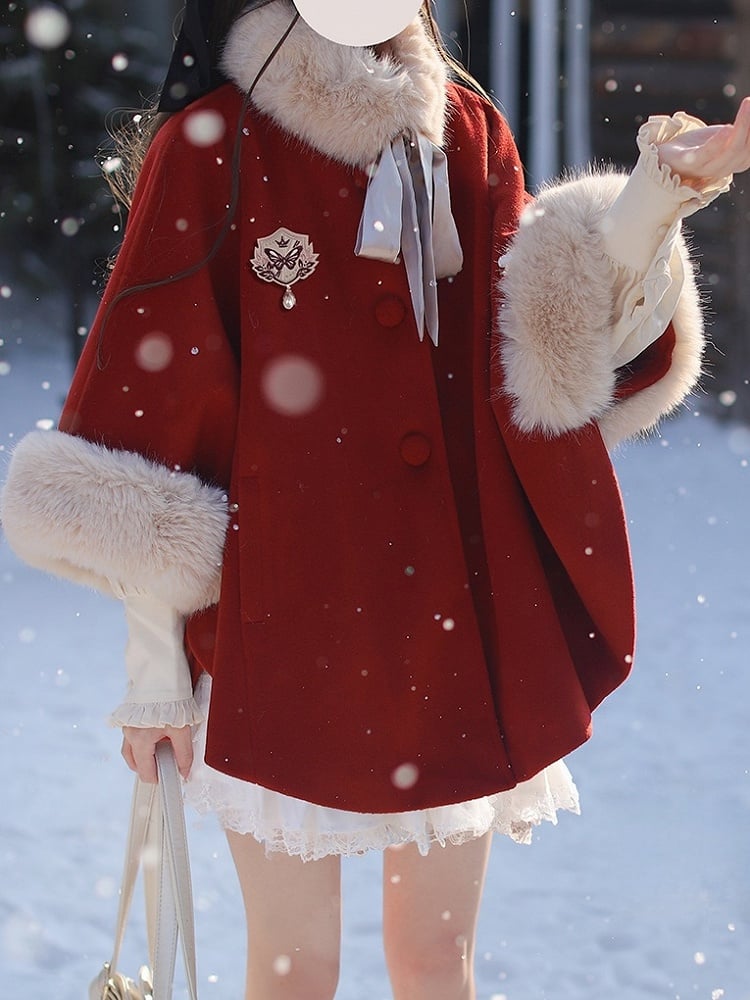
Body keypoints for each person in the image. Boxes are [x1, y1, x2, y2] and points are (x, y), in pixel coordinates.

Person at [2, 1, 750, 996]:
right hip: (275, 637)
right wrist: (155, 674)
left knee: (437, 963)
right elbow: (155, 436)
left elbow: (540, 355)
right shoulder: (212, 148)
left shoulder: (467, 133)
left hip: (445, 622)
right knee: (293, 972)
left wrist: (660, 193)